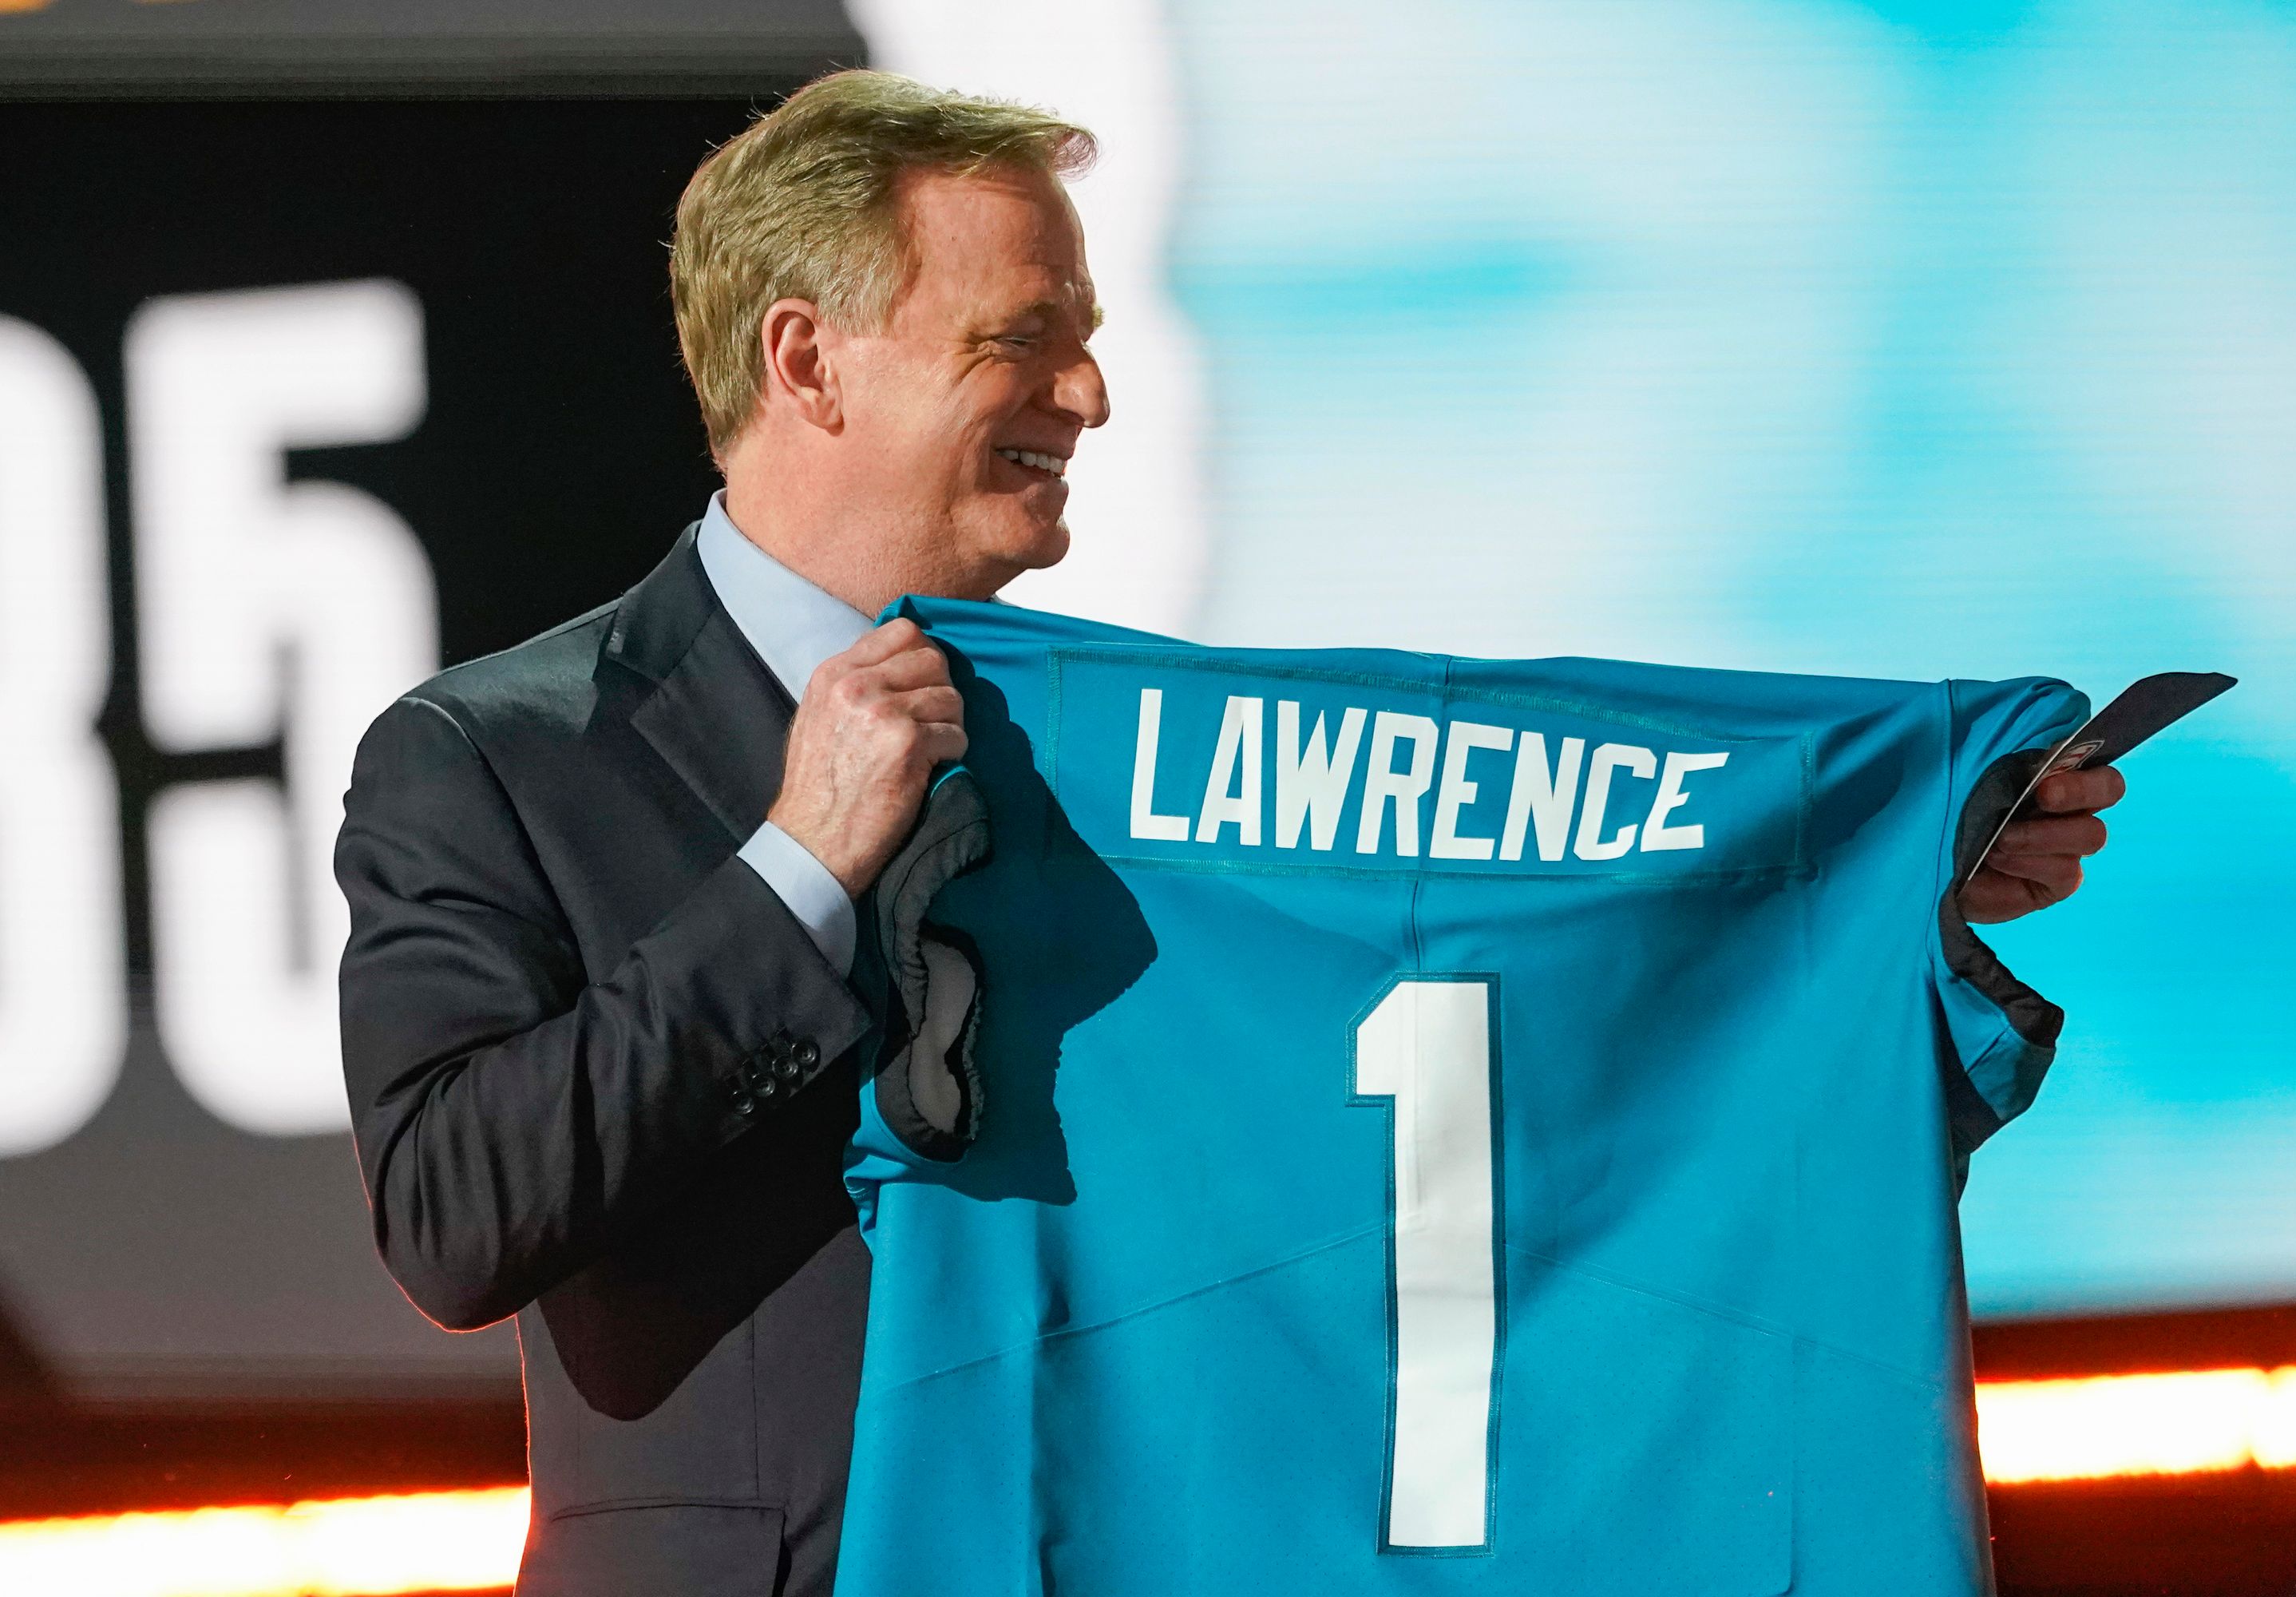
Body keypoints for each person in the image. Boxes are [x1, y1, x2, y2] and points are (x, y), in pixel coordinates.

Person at [332, 69, 2120, 1597]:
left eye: (1090, 343)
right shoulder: (494, 759)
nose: (1089, 399)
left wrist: (1867, 888)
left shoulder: (1151, 763)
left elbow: (1489, 985)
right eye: (1024, 340)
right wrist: (800, 865)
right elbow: (455, 1216)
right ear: (810, 361)